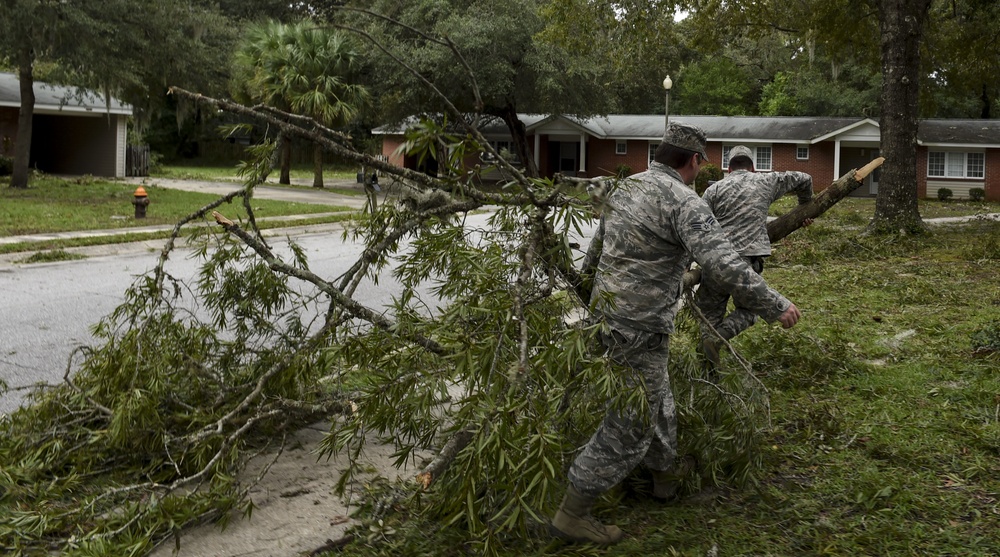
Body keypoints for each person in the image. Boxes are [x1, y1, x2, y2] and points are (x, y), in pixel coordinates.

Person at [550, 124, 802, 544]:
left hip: (608, 315)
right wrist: (776, 305)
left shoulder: (625, 188)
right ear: (693, 161)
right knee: (631, 421)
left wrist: (595, 296)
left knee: (657, 395)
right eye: (701, 163)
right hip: (640, 327)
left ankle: (662, 477)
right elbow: (722, 265)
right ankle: (572, 513)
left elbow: (596, 251)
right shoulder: (685, 201)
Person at [695, 145, 813, 368]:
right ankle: (719, 336)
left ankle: (706, 374)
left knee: (707, 318)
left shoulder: (714, 190)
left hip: (714, 263)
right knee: (751, 309)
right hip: (746, 267)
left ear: (729, 169)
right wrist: (805, 206)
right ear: (753, 167)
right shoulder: (766, 181)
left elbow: (699, 228)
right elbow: (804, 178)